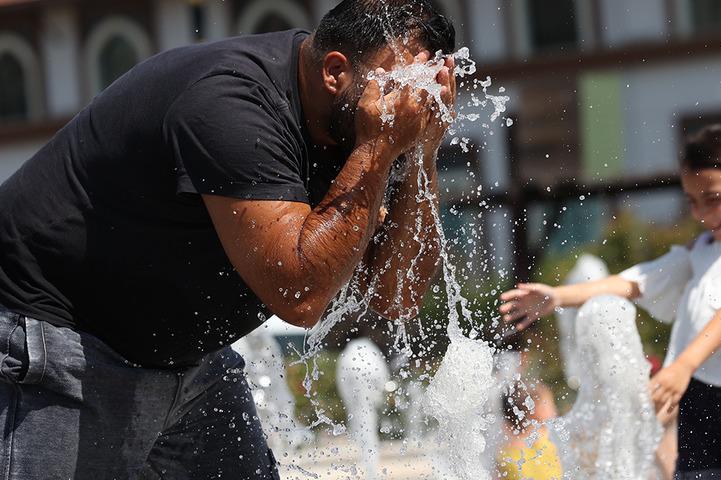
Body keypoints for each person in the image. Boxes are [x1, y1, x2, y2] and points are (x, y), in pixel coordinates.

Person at [0, 1, 455, 478]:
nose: (410, 104)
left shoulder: (373, 120)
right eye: (404, 86)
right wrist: (378, 147)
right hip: (61, 334)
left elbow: (396, 296)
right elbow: (299, 296)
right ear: (335, 72)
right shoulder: (232, 103)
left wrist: (421, 152)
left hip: (185, 355)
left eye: (427, 87)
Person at [500, 124, 721, 479]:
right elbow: (636, 281)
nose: (702, 213)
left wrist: (682, 367)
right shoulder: (701, 250)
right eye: (692, 201)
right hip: (698, 396)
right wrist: (558, 297)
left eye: (714, 198)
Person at [497, 381, 563, 480]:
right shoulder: (545, 446)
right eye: (549, 405)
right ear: (535, 408)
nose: (555, 411)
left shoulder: (505, 455)